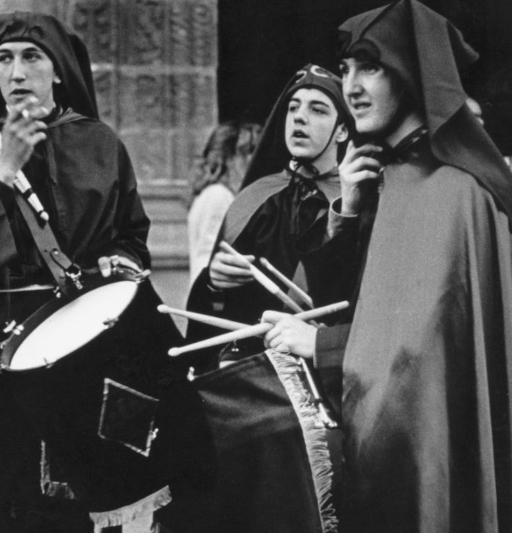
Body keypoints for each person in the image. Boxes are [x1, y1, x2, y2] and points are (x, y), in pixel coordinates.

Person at [0, 12, 181, 532]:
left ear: (59, 70)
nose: (17, 71)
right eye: (4, 59)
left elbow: (130, 234)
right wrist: (3, 170)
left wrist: (122, 259)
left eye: (32, 57)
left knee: (88, 487)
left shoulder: (99, 144)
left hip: (85, 341)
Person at [265, 1, 512, 531]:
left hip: (421, 452)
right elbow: (359, 304)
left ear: (412, 72)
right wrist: (349, 214)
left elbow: (419, 356)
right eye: (347, 68)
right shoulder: (386, 177)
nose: (351, 86)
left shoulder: (455, 191)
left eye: (370, 66)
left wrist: (322, 347)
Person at [185, 64, 352, 370]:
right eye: (293, 108)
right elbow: (217, 312)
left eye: (318, 110)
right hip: (256, 370)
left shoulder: (356, 201)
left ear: (342, 130)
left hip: (328, 367)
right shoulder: (254, 196)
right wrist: (213, 284)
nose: (299, 117)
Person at [187, 122, 255, 284]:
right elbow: (206, 259)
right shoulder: (218, 196)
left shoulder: (218, 194)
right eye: (245, 152)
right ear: (228, 158)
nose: (250, 160)